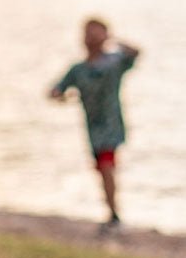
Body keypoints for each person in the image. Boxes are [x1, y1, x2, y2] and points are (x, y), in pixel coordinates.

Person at [49, 18, 140, 231]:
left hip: (111, 125)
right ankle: (112, 213)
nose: (90, 37)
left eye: (95, 33)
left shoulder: (114, 62)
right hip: (92, 127)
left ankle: (114, 216)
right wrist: (62, 96)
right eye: (87, 33)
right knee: (102, 168)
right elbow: (54, 91)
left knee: (106, 165)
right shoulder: (78, 69)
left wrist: (113, 39)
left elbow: (136, 53)